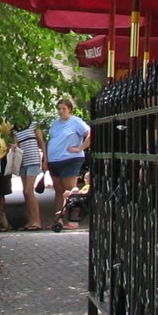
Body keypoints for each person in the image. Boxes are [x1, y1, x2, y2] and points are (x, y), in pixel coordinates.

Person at [45, 97, 90, 231]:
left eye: (63, 108)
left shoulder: (76, 122)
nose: (61, 111)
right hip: (54, 160)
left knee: (71, 190)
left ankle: (74, 220)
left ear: (69, 109)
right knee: (58, 191)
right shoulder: (56, 123)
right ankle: (58, 220)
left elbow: (90, 133)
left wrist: (80, 148)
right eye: (59, 109)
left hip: (70, 159)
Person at [10, 112, 45, 230]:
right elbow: (16, 145)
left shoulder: (34, 125)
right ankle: (31, 221)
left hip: (33, 160)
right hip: (22, 162)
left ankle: (37, 221)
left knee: (28, 191)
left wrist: (45, 159)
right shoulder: (15, 131)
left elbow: (41, 142)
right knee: (25, 192)